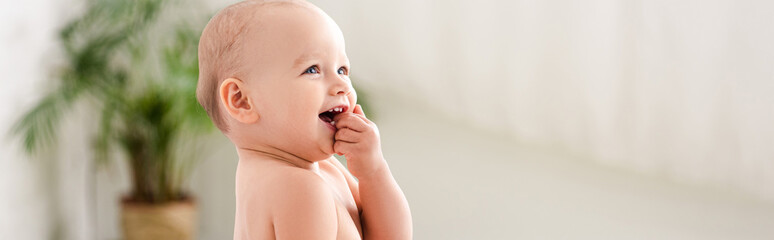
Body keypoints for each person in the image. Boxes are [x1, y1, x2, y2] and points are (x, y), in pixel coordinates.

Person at [196, 0, 413, 239]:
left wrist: (373, 172)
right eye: (312, 69)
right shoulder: (299, 189)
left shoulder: (322, 170)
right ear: (242, 101)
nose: (342, 84)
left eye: (342, 69)